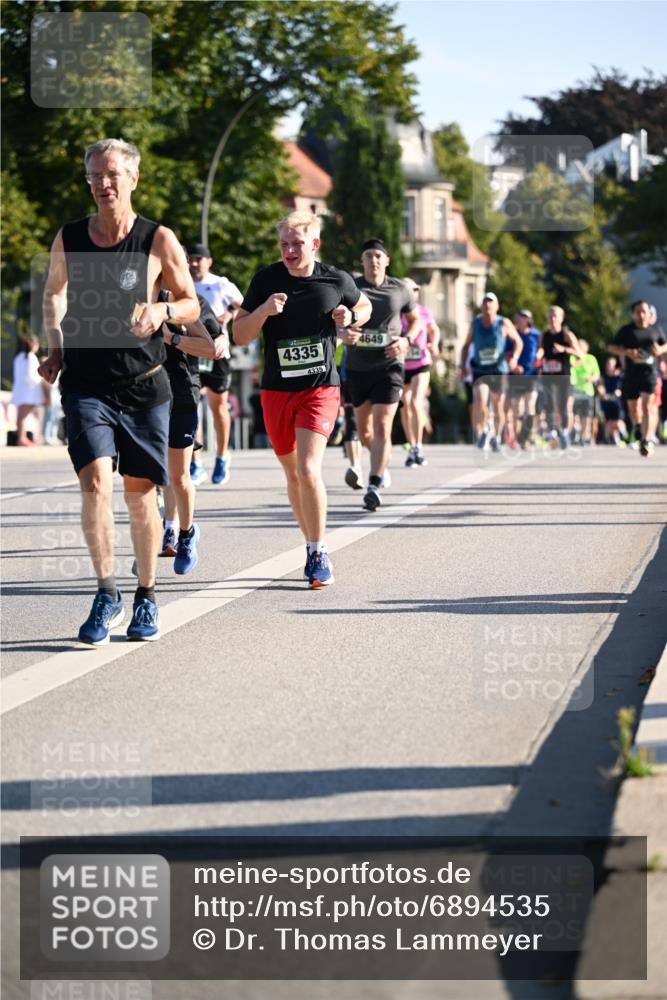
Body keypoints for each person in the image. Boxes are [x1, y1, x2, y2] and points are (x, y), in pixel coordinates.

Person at [39, 138, 199, 644]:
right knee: (94, 486)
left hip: (145, 386)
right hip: (86, 384)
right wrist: (56, 346)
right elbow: (53, 292)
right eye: (94, 176)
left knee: (139, 497)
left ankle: (146, 596)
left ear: (133, 178)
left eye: (111, 174)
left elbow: (192, 303)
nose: (102, 184)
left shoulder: (158, 240)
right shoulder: (70, 237)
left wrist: (162, 311)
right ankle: (107, 590)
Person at [232, 211, 371, 587]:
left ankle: (317, 549)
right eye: (284, 245)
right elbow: (240, 334)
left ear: (315, 243)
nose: (290, 251)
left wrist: (352, 315)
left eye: (297, 244)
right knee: (293, 473)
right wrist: (263, 310)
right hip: (277, 391)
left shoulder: (336, 279)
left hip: (320, 388)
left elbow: (365, 306)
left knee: (309, 470)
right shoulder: (265, 279)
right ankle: (310, 541)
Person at [341, 239, 420, 511]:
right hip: (358, 367)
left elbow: (417, 318)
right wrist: (343, 333)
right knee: (364, 432)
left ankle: (373, 484)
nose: (373, 260)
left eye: (378, 256)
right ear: (362, 262)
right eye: (368, 256)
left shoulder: (400, 289)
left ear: (386, 261)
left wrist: (406, 340)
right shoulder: (352, 287)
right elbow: (335, 316)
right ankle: (381, 462)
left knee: (382, 426)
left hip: (390, 366)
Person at [159, 290, 224, 573]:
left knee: (178, 475)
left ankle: (186, 533)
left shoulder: (191, 302)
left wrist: (172, 338)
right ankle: (162, 532)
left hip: (182, 392)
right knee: (151, 477)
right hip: (143, 395)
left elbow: (214, 344)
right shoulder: (134, 297)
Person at [187, 243, 243, 485]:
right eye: (191, 259)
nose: (195, 263)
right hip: (191, 351)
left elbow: (242, 303)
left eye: (200, 259)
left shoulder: (220, 283)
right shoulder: (182, 283)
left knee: (218, 406)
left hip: (217, 352)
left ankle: (222, 455)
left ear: (209, 261)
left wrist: (227, 317)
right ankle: (195, 461)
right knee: (190, 405)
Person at [459, 292, 522, 451]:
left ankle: (497, 436)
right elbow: (466, 346)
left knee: (498, 405)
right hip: (480, 369)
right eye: (485, 302)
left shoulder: (503, 323)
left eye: (491, 302)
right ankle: (484, 430)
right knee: (480, 400)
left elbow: (518, 342)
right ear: (482, 306)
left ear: (497, 306)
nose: (488, 305)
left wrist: (514, 357)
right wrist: (463, 366)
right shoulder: (476, 324)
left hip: (498, 370)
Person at [610, 299, 667, 456]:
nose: (641, 315)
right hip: (631, 375)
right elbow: (611, 347)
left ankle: (646, 439)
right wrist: (627, 352)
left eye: (644, 312)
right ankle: (638, 425)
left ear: (649, 314)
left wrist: (660, 350)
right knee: (633, 409)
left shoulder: (655, 330)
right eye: (638, 312)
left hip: (649, 373)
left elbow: (665, 345)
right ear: (633, 314)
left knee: (648, 406)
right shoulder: (626, 330)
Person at [400, 279, 440, 467]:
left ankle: (418, 446)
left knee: (416, 402)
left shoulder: (424, 311)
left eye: (414, 289)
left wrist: (434, 343)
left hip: (421, 363)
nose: (411, 292)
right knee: (405, 405)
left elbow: (434, 329)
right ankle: (411, 445)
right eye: (407, 289)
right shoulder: (396, 312)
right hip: (400, 365)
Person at [539, 305, 581, 449]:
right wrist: (538, 355)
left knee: (564, 407)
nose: (552, 319)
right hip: (548, 374)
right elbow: (541, 349)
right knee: (549, 405)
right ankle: (552, 432)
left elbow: (579, 354)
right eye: (550, 316)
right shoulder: (544, 335)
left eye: (555, 316)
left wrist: (564, 349)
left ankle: (564, 432)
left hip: (563, 375)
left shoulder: (566, 335)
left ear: (561, 318)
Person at [507, 309, 541, 449]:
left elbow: (542, 349)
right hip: (516, 375)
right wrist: (513, 365)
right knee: (517, 409)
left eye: (525, 318)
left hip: (532, 374)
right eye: (520, 317)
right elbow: (507, 353)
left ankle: (525, 438)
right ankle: (516, 437)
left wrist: (539, 357)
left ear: (529, 319)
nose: (522, 320)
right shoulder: (512, 334)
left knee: (530, 406)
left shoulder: (536, 334)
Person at [11, 335, 44, 445]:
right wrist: (42, 379)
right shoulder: (31, 357)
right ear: (34, 345)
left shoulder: (18, 357)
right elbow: (32, 376)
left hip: (20, 390)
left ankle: (22, 437)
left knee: (21, 415)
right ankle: (22, 438)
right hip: (29, 392)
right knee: (23, 416)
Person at [570, 338, 600, 445]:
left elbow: (596, 374)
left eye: (581, 347)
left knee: (586, 415)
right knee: (574, 415)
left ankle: (584, 436)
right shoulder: (572, 358)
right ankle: (575, 433)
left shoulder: (591, 359)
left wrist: (591, 378)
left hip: (587, 391)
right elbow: (570, 368)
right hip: (574, 391)